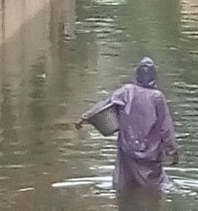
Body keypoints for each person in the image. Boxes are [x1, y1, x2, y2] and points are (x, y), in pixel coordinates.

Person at [76, 58, 178, 193]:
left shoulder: (127, 91)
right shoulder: (157, 97)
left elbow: (105, 105)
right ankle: (149, 208)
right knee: (152, 189)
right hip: (150, 154)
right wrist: (172, 150)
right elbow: (165, 127)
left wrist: (85, 117)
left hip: (128, 150)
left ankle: (126, 206)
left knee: (125, 186)